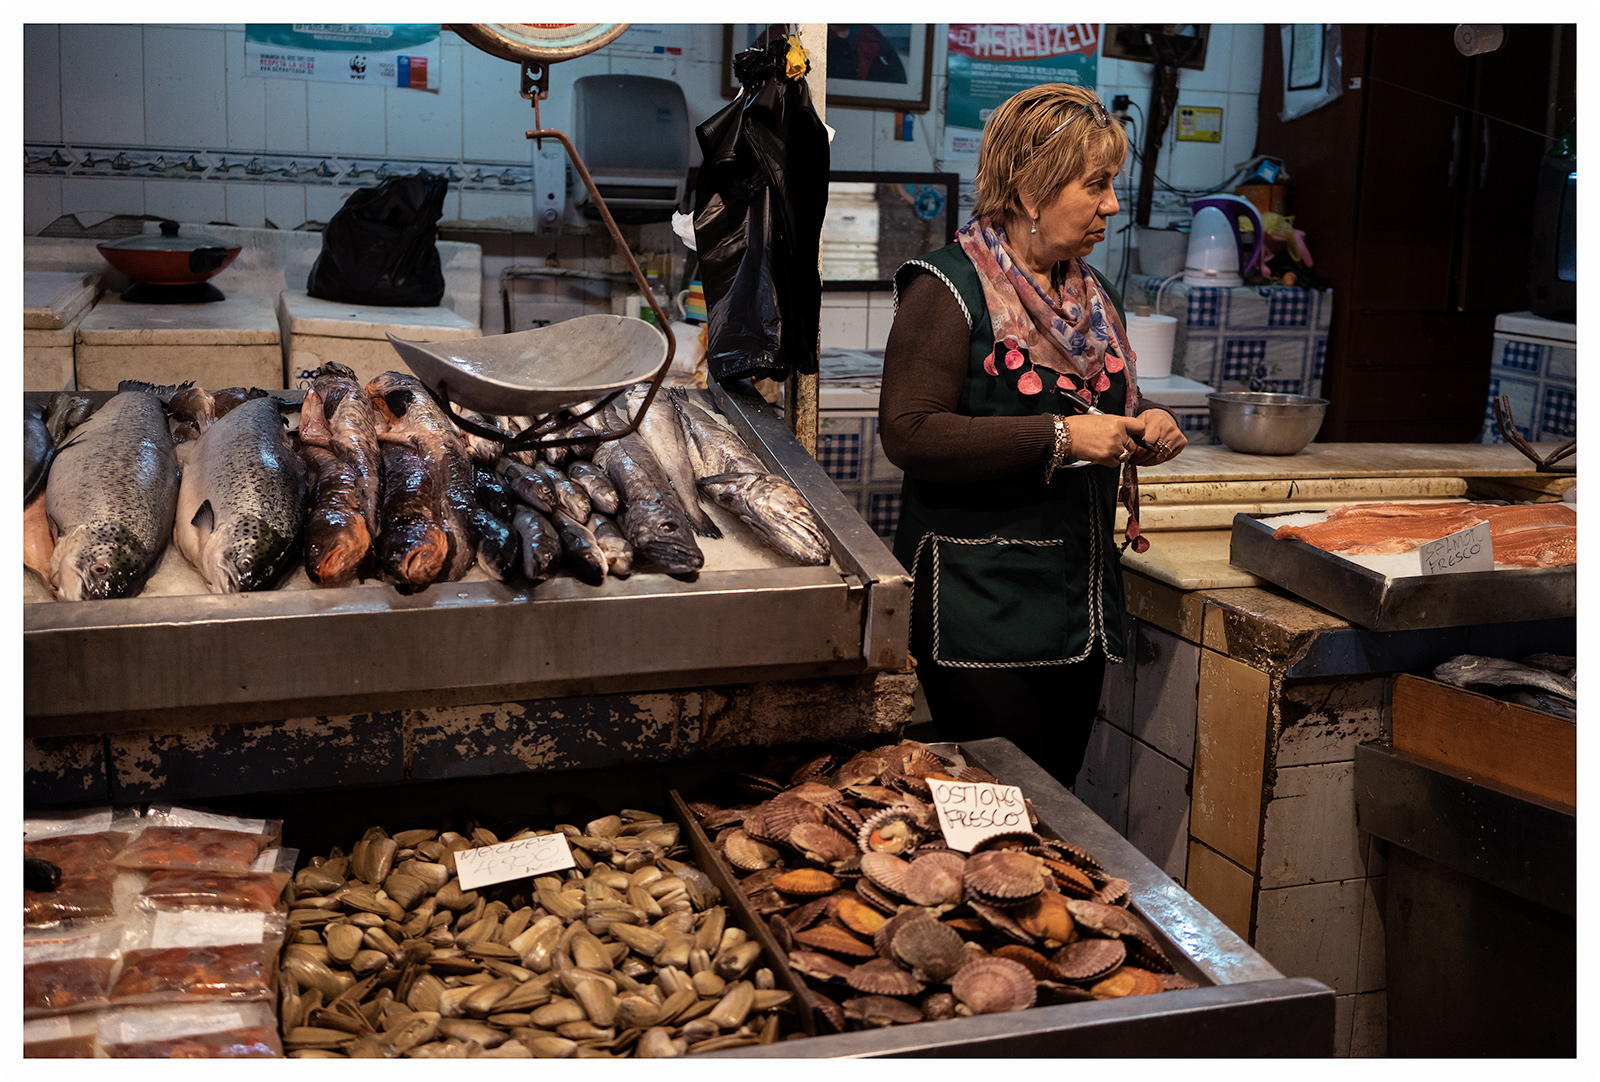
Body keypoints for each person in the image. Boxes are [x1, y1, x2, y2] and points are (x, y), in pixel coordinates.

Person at [878, 83, 1187, 789]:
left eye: (1113, 185)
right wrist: (1063, 439)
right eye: (1098, 185)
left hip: (1075, 605)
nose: (1111, 205)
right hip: (979, 606)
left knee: (1058, 802)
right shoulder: (947, 287)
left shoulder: (1089, 293)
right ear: (1029, 190)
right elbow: (908, 432)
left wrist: (1148, 421)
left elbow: (1095, 400)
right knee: (999, 810)